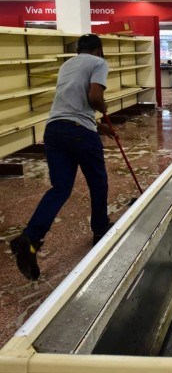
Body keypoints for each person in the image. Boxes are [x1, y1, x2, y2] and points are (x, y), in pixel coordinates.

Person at [10, 34, 115, 281]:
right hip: (79, 133)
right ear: (98, 49)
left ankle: (31, 238)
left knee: (60, 189)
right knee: (98, 183)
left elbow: (71, 109)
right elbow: (93, 98)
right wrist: (104, 109)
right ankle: (100, 230)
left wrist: (101, 127)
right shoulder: (99, 62)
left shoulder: (67, 65)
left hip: (53, 131)